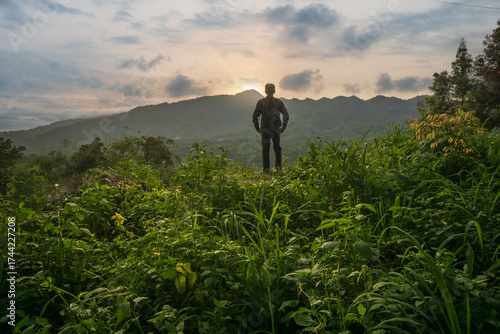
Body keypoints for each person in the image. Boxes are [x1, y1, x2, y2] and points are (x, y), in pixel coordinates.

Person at [252, 83, 289, 172]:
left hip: (264, 128)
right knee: (277, 149)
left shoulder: (260, 102)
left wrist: (257, 128)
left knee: (265, 149)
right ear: (274, 91)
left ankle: (266, 170)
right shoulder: (278, 102)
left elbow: (255, 116)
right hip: (276, 128)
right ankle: (278, 169)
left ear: (265, 91)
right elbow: (286, 114)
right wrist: (283, 127)